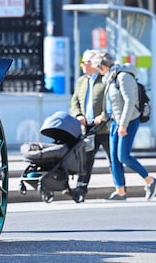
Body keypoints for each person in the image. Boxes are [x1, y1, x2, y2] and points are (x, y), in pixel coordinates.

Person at [92, 52, 156, 201]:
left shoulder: (123, 76)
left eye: (98, 69)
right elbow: (113, 103)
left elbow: (129, 101)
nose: (98, 72)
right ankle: (120, 191)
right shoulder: (110, 79)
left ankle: (150, 180)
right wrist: (104, 116)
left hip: (128, 121)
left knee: (123, 156)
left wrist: (123, 125)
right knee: (114, 159)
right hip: (115, 122)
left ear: (103, 66)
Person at [68, 49, 110, 202]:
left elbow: (111, 101)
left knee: (113, 159)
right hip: (88, 128)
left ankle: (120, 188)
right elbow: (74, 101)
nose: (81, 65)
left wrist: (104, 115)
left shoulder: (105, 79)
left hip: (105, 127)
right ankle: (80, 190)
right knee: (85, 160)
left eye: (84, 62)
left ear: (92, 64)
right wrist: (78, 115)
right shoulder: (81, 81)